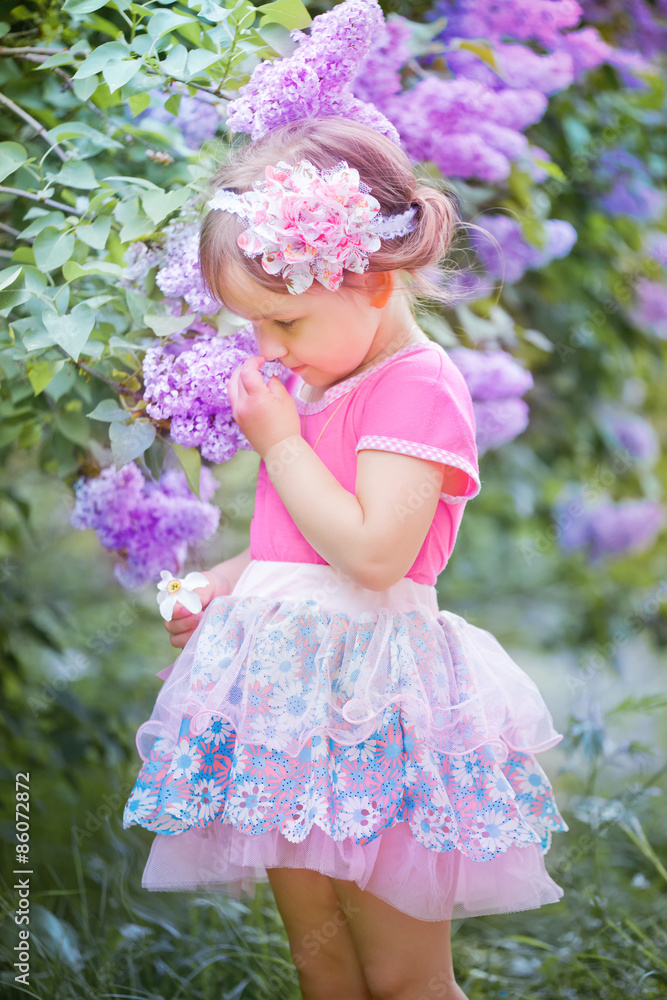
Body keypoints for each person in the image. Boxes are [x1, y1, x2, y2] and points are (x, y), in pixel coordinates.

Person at [123, 116, 569, 1000]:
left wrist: (280, 445)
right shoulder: (319, 386)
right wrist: (223, 585)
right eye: (254, 328)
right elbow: (298, 550)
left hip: (378, 718)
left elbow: (372, 556)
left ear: (368, 280)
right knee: (322, 972)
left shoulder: (415, 385)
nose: (268, 351)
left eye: (282, 321)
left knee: (403, 981)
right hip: (287, 718)